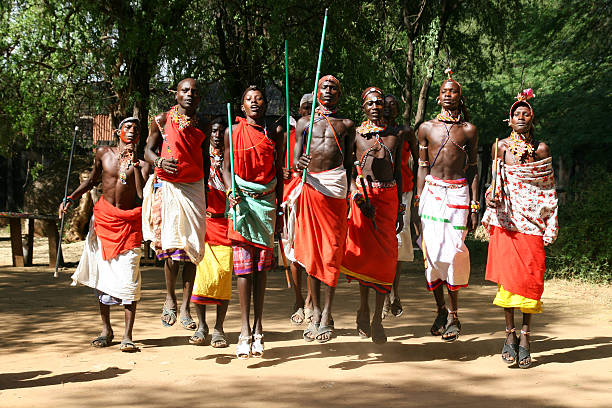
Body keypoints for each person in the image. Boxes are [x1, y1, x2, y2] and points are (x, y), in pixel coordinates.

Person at [482, 89, 558, 369]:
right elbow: (494, 183)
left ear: (532, 118)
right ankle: (509, 336)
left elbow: (548, 189)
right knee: (509, 279)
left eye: (526, 113)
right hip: (506, 222)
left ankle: (526, 337)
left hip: (533, 224)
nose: (521, 117)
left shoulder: (542, 149)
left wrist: (551, 222)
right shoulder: (500, 147)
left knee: (530, 278)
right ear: (509, 119)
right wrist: (489, 199)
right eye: (516, 113)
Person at [62, 117, 151, 352]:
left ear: (140, 137)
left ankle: (127, 335)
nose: (131, 131)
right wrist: (70, 198)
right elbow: (92, 181)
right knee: (103, 278)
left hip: (129, 224)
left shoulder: (143, 165)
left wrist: (134, 166)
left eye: (136, 129)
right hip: (104, 220)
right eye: (127, 128)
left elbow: (141, 196)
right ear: (117, 132)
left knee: (129, 277)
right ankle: (106, 329)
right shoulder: (103, 153)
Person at [416, 68, 479, 342]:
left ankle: (455, 314)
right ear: (438, 97)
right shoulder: (426, 128)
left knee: (454, 252)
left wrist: (475, 203)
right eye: (444, 91)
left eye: (453, 91)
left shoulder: (468, 130)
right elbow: (421, 167)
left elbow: (474, 168)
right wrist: (418, 201)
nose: (448, 95)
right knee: (431, 255)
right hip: (431, 194)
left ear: (459, 96)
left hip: (458, 196)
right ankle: (441, 310)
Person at [143, 78, 209, 331]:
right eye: (185, 90)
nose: (190, 94)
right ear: (176, 95)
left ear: (199, 98)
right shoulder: (160, 120)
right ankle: (169, 298)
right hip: (168, 186)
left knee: (192, 251)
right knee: (171, 248)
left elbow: (204, 158)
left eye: (194, 91)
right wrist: (159, 162)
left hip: (194, 188)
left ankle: (185, 307)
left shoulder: (203, 123)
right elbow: (147, 151)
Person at [293, 75, 355, 343]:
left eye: (333, 88)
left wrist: (354, 192)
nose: (328, 91)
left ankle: (328, 314)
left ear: (339, 94)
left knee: (330, 253)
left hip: (336, 190)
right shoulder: (304, 123)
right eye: (324, 87)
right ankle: (316, 312)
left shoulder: (346, 125)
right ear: (317, 92)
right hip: (311, 188)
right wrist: (300, 163)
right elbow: (296, 161)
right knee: (311, 254)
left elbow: (350, 163)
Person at [224, 85, 284, 359]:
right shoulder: (232, 132)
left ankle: (259, 328)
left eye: (259, 99)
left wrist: (281, 210)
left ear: (266, 104)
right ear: (242, 106)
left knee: (261, 269)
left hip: (267, 204)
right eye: (249, 99)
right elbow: (226, 168)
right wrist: (229, 191)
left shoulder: (275, 133)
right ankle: (244, 330)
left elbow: (279, 174)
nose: (254, 102)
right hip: (241, 204)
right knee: (243, 270)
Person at [340, 87, 403, 344]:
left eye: (379, 103)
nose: (376, 106)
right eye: (370, 103)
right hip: (363, 201)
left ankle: (378, 318)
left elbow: (397, 173)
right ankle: (364, 308)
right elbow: (349, 172)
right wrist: (356, 197)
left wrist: (400, 209)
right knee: (365, 259)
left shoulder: (394, 137)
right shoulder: (355, 136)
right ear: (363, 107)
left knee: (386, 261)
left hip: (388, 202)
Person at [189, 117, 232, 348]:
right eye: (213, 131)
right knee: (202, 279)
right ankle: (202, 325)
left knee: (223, 276)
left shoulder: (232, 160)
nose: (217, 135)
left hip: (225, 224)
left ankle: (219, 328)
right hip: (204, 224)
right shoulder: (200, 158)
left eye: (221, 131)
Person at [381, 94, 418, 319]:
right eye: (385, 105)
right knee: (382, 243)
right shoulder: (370, 131)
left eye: (393, 105)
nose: (388, 108)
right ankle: (383, 295)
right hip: (379, 191)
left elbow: (420, 159)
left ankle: (394, 291)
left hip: (403, 190)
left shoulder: (405, 132)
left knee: (399, 240)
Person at [281, 92, 314, 326]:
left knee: (311, 250)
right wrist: (282, 170)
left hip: (314, 197)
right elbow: (277, 163)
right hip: (290, 196)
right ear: (300, 111)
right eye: (306, 108)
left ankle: (312, 300)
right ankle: (298, 299)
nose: (310, 112)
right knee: (292, 251)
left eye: (315, 107)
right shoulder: (288, 136)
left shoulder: (324, 133)